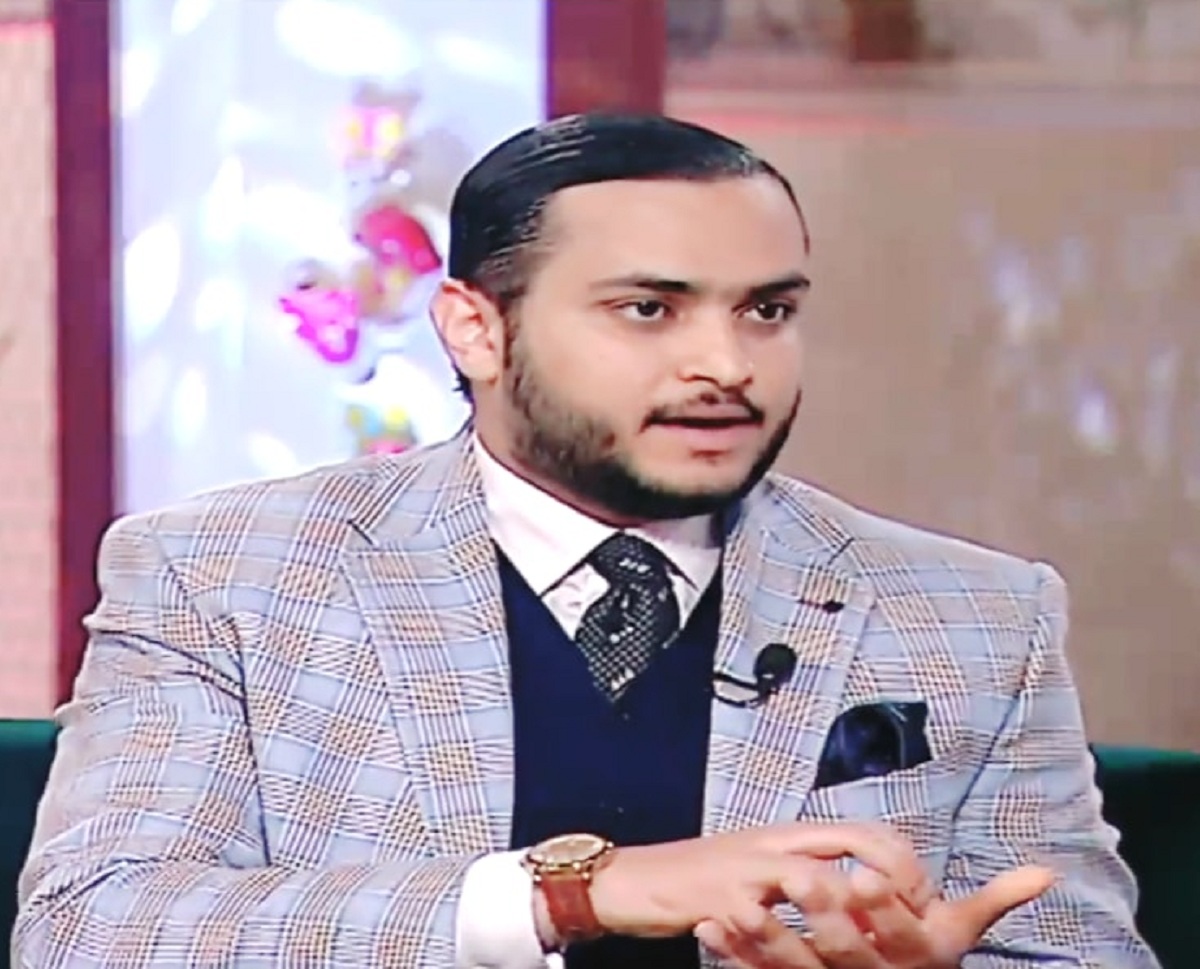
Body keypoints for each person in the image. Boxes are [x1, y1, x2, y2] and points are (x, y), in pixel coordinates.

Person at [15, 113, 1158, 969]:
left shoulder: (974, 614)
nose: (726, 364)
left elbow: (1077, 954)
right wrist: (576, 895)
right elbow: (95, 930)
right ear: (476, 330)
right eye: (648, 309)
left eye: (767, 310)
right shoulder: (226, 577)